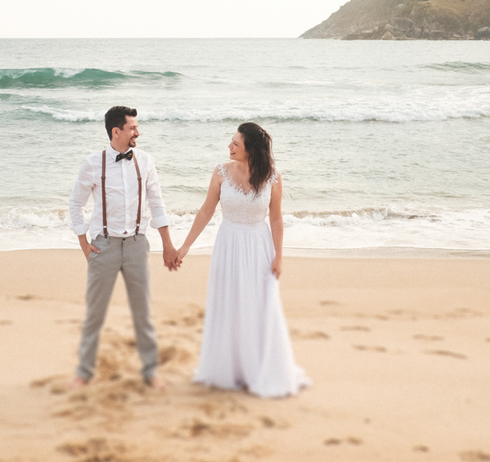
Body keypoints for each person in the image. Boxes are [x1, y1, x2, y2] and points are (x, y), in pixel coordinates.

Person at [175, 122, 310, 398]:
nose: (230, 147)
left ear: (251, 149)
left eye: (236, 143)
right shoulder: (221, 171)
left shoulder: (272, 176)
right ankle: (230, 369)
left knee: (258, 306)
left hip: (259, 246)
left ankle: (258, 367)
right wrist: (185, 246)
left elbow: (275, 218)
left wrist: (279, 257)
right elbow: (205, 211)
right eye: (231, 142)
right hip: (228, 244)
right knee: (230, 303)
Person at [69, 106, 178, 389]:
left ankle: (150, 370)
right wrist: (83, 242)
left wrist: (167, 244)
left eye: (137, 127)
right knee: (95, 311)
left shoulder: (146, 161)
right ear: (116, 131)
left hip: (137, 245)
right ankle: (84, 371)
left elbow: (157, 203)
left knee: (142, 310)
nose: (137, 133)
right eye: (132, 128)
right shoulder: (93, 163)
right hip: (102, 246)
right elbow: (75, 204)